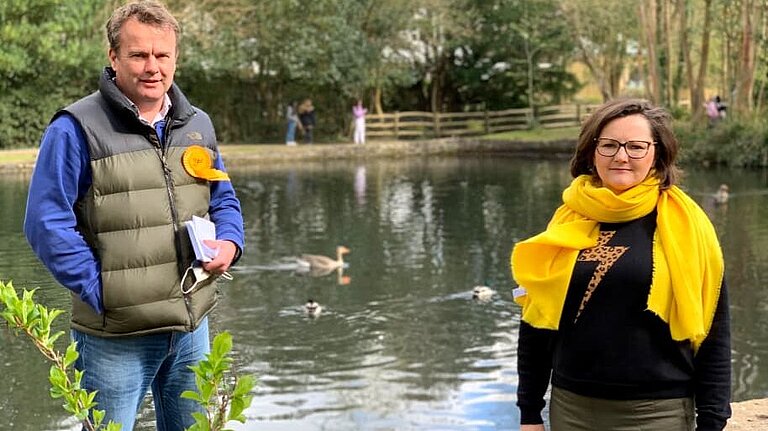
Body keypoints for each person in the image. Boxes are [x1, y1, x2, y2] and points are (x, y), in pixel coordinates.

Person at [23, 1, 244, 430]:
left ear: (175, 58)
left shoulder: (197, 124)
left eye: (163, 55)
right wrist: (103, 291)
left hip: (190, 330)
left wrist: (231, 243)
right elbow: (46, 223)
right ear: (113, 57)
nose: (152, 67)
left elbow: (224, 198)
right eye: (139, 55)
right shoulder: (74, 128)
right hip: (114, 339)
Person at [511, 98, 730, 431]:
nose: (621, 156)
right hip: (572, 409)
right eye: (609, 145)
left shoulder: (688, 227)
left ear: (658, 153)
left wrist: (712, 420)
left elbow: (714, 332)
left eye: (636, 146)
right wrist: (529, 412)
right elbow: (536, 322)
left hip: (658, 414)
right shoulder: (567, 220)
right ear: (591, 151)